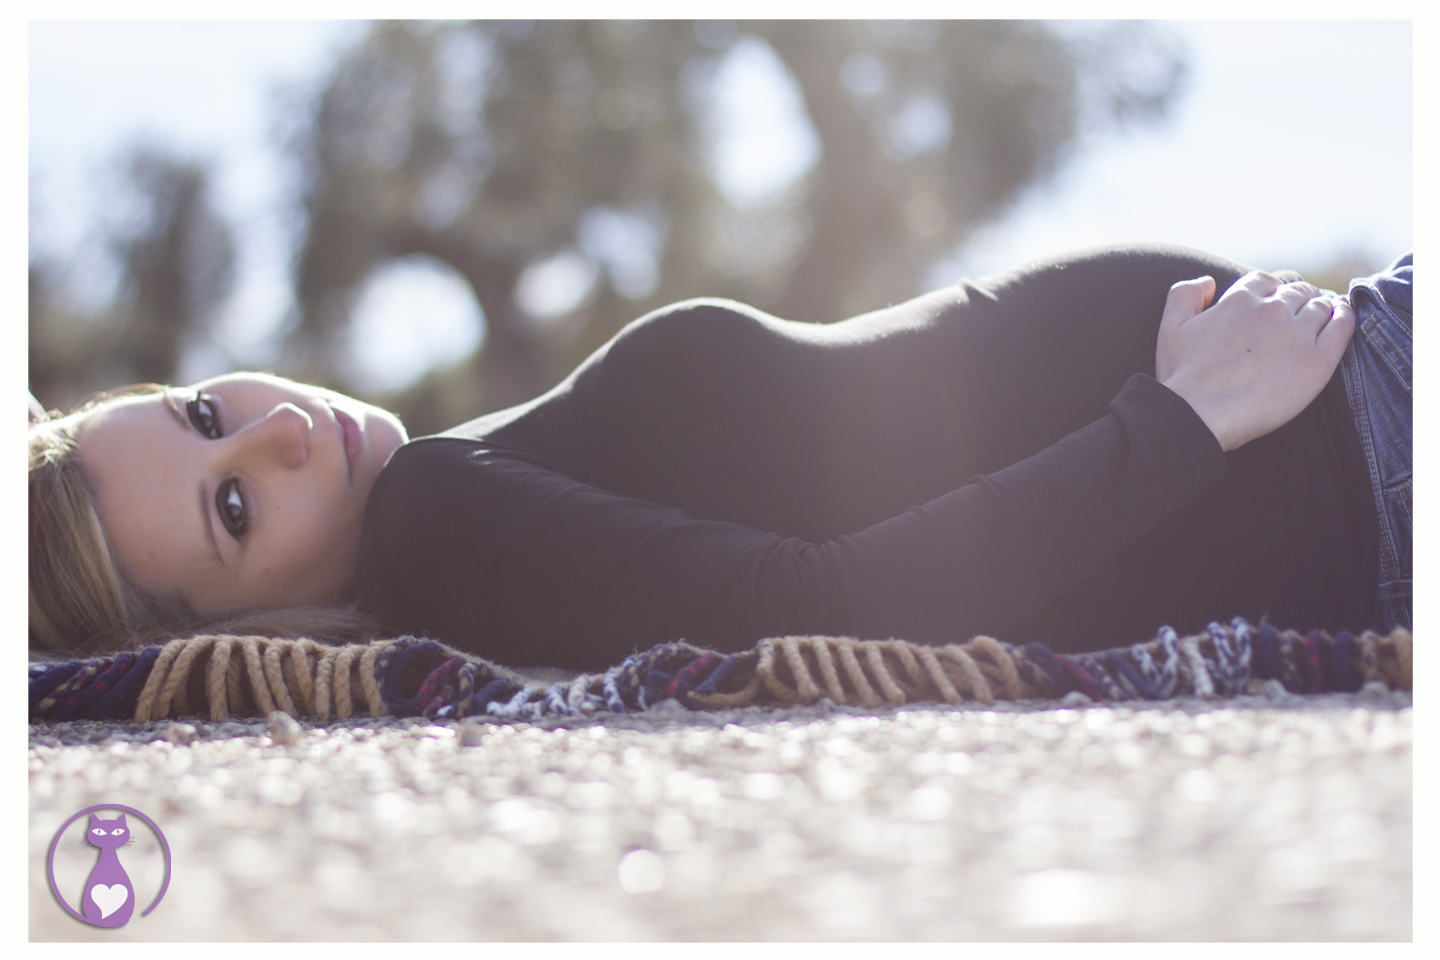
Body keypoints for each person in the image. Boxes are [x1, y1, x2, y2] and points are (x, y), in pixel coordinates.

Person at [29, 244, 1411, 670]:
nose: (278, 433)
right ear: (260, 622)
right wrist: (1178, 422)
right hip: (1341, 463)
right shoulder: (436, 520)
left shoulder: (462, 499)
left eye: (207, 411)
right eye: (231, 507)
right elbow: (833, 611)